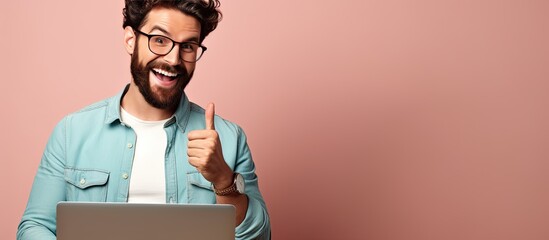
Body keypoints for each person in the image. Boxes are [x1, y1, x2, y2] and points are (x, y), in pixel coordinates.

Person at [17, 1, 270, 239]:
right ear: (130, 40)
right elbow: (35, 227)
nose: (173, 60)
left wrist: (224, 180)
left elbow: (259, 236)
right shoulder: (71, 132)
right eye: (159, 40)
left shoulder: (229, 138)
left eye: (188, 46)